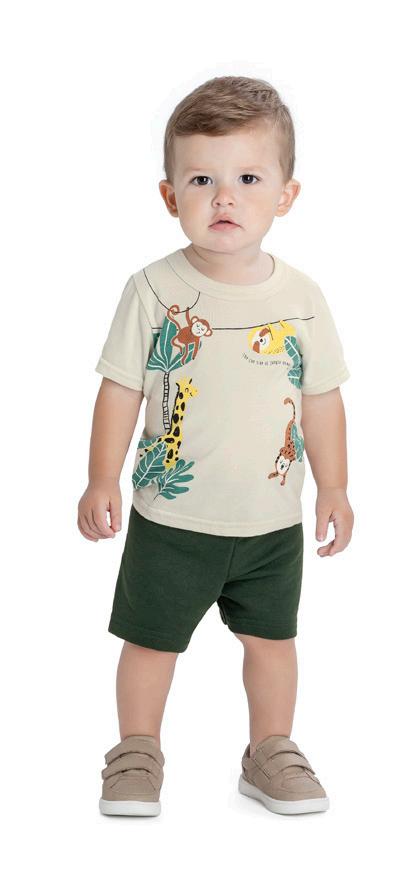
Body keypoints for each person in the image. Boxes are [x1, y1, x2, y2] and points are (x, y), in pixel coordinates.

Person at [78, 75, 353, 818]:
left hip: (269, 523)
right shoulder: (152, 290)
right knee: (150, 642)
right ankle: (136, 751)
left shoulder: (301, 299)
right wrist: (101, 478)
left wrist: (334, 487)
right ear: (170, 196)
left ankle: (270, 750)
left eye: (247, 179)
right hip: (170, 519)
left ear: (286, 195)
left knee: (273, 643)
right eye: (202, 180)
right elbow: (120, 390)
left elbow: (321, 398)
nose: (224, 197)